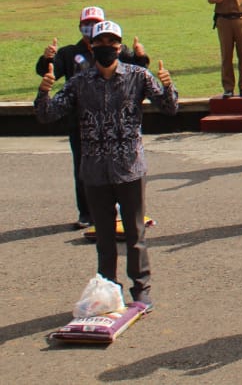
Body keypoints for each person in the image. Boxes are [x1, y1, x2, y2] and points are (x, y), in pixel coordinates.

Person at [35, 20, 177, 313]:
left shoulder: (138, 76)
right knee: (104, 238)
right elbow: (48, 114)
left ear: (119, 47)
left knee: (135, 235)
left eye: (112, 44)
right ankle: (109, 288)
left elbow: (169, 107)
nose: (106, 48)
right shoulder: (80, 82)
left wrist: (168, 84)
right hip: (95, 170)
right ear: (92, 46)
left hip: (129, 168)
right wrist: (43, 91)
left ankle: (142, 290)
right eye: (100, 43)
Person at [35, 6, 150, 228]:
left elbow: (137, 73)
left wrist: (140, 55)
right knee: (83, 167)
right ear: (80, 27)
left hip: (115, 122)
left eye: (95, 23)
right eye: (86, 24)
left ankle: (120, 212)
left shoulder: (117, 49)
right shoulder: (69, 53)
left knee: (121, 167)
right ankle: (86, 213)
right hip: (81, 122)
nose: (90, 29)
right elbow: (48, 72)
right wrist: (46, 59)